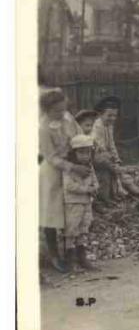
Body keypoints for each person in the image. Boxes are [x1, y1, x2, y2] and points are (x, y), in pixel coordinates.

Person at [39, 89, 84, 273]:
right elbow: (51, 157)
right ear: (47, 110)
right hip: (53, 173)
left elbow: (79, 137)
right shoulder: (43, 128)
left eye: (63, 109)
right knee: (52, 214)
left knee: (73, 211)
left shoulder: (68, 118)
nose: (61, 113)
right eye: (57, 110)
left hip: (73, 166)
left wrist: (83, 153)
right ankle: (54, 255)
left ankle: (75, 254)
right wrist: (72, 167)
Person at [63, 134, 100, 273]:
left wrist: (95, 188)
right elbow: (69, 186)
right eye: (81, 152)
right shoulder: (69, 168)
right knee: (72, 229)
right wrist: (87, 189)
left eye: (88, 152)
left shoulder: (89, 166)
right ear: (73, 153)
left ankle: (82, 258)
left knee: (84, 228)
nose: (85, 156)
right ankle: (70, 261)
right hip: (73, 202)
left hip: (86, 202)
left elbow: (95, 181)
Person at [91, 96, 122, 204]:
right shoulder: (97, 126)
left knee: (112, 169)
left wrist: (117, 159)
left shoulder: (109, 126)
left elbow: (111, 144)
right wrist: (112, 162)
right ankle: (108, 197)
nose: (112, 118)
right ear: (100, 114)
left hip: (105, 156)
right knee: (110, 169)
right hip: (95, 154)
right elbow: (101, 145)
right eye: (109, 115)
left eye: (115, 115)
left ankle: (115, 193)